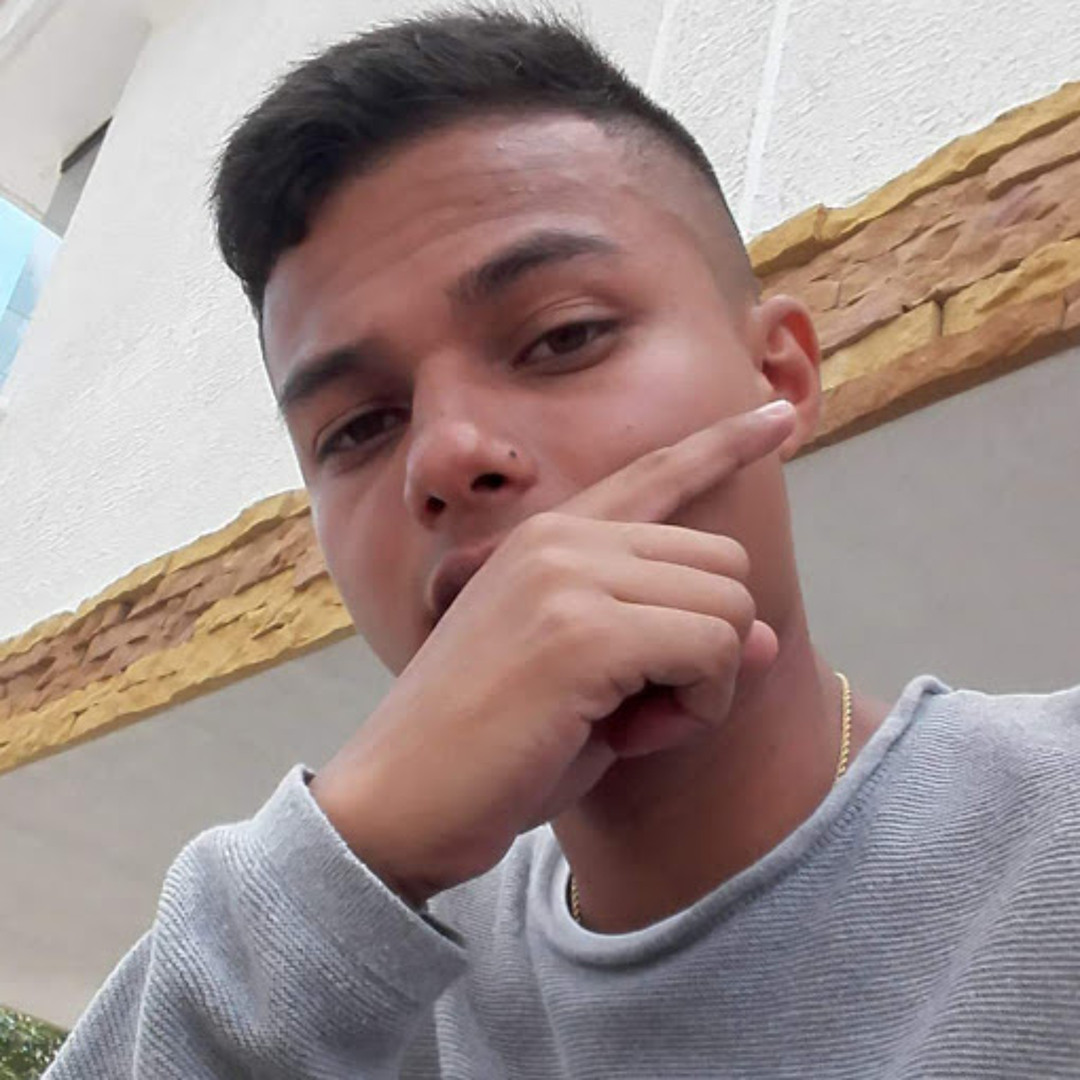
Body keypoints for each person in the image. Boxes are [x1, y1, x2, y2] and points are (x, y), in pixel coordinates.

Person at [46, 10, 1080, 1079]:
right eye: (356, 428)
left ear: (778, 377)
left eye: (564, 335)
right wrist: (344, 862)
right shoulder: (350, 999)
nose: (445, 454)